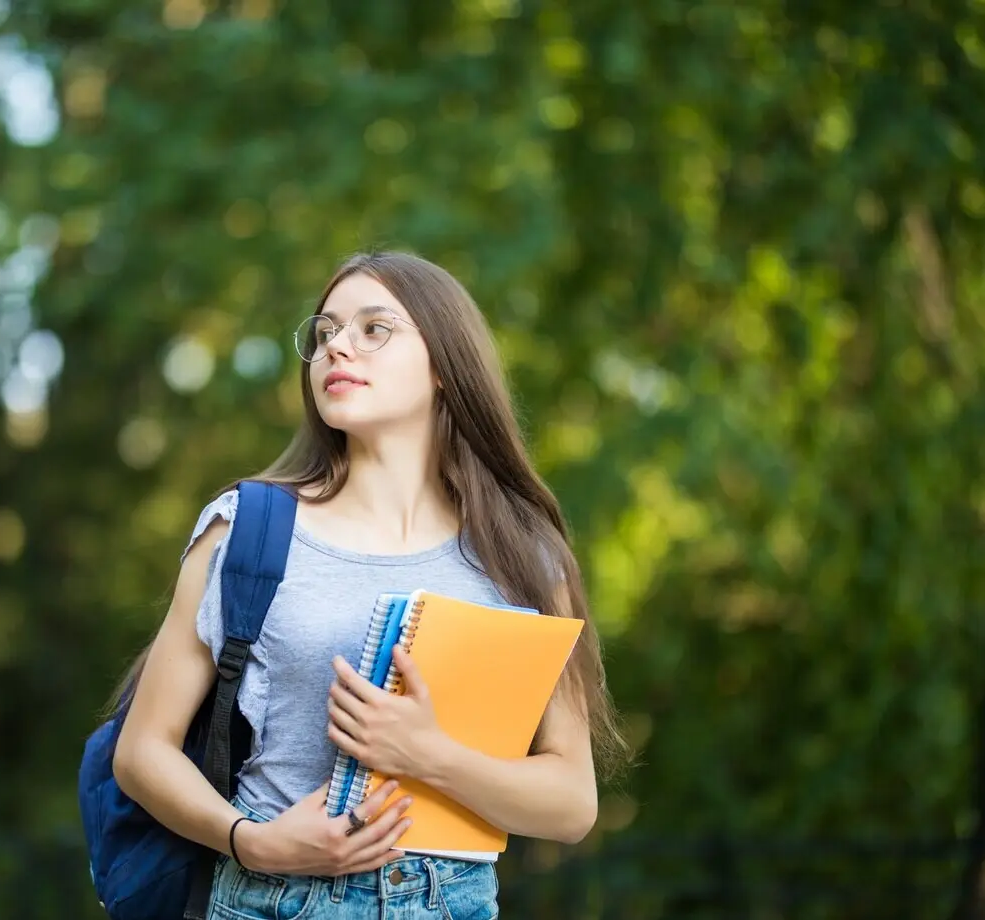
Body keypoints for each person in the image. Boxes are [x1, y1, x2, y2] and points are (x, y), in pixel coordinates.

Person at [111, 250, 624, 919]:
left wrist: (428, 755)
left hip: (451, 904)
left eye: (373, 329)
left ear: (444, 365)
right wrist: (255, 844)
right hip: (270, 901)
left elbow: (572, 804)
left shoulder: (524, 556)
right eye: (324, 334)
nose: (337, 348)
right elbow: (142, 751)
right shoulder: (245, 531)